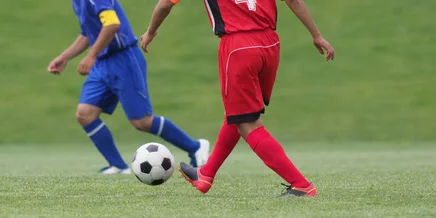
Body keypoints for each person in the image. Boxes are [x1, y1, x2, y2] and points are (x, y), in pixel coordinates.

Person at [140, 0, 335, 196]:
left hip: (238, 48)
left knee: (248, 123)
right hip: (270, 44)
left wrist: (150, 32)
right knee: (239, 113)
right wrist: (316, 35)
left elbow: (165, 4)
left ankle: (301, 185)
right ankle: (206, 175)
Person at [47, 0, 210, 175]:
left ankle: (196, 146)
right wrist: (65, 57)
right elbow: (89, 34)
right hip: (103, 63)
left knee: (142, 122)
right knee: (85, 114)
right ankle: (118, 166)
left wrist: (91, 56)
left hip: (123, 59)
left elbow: (112, 24)